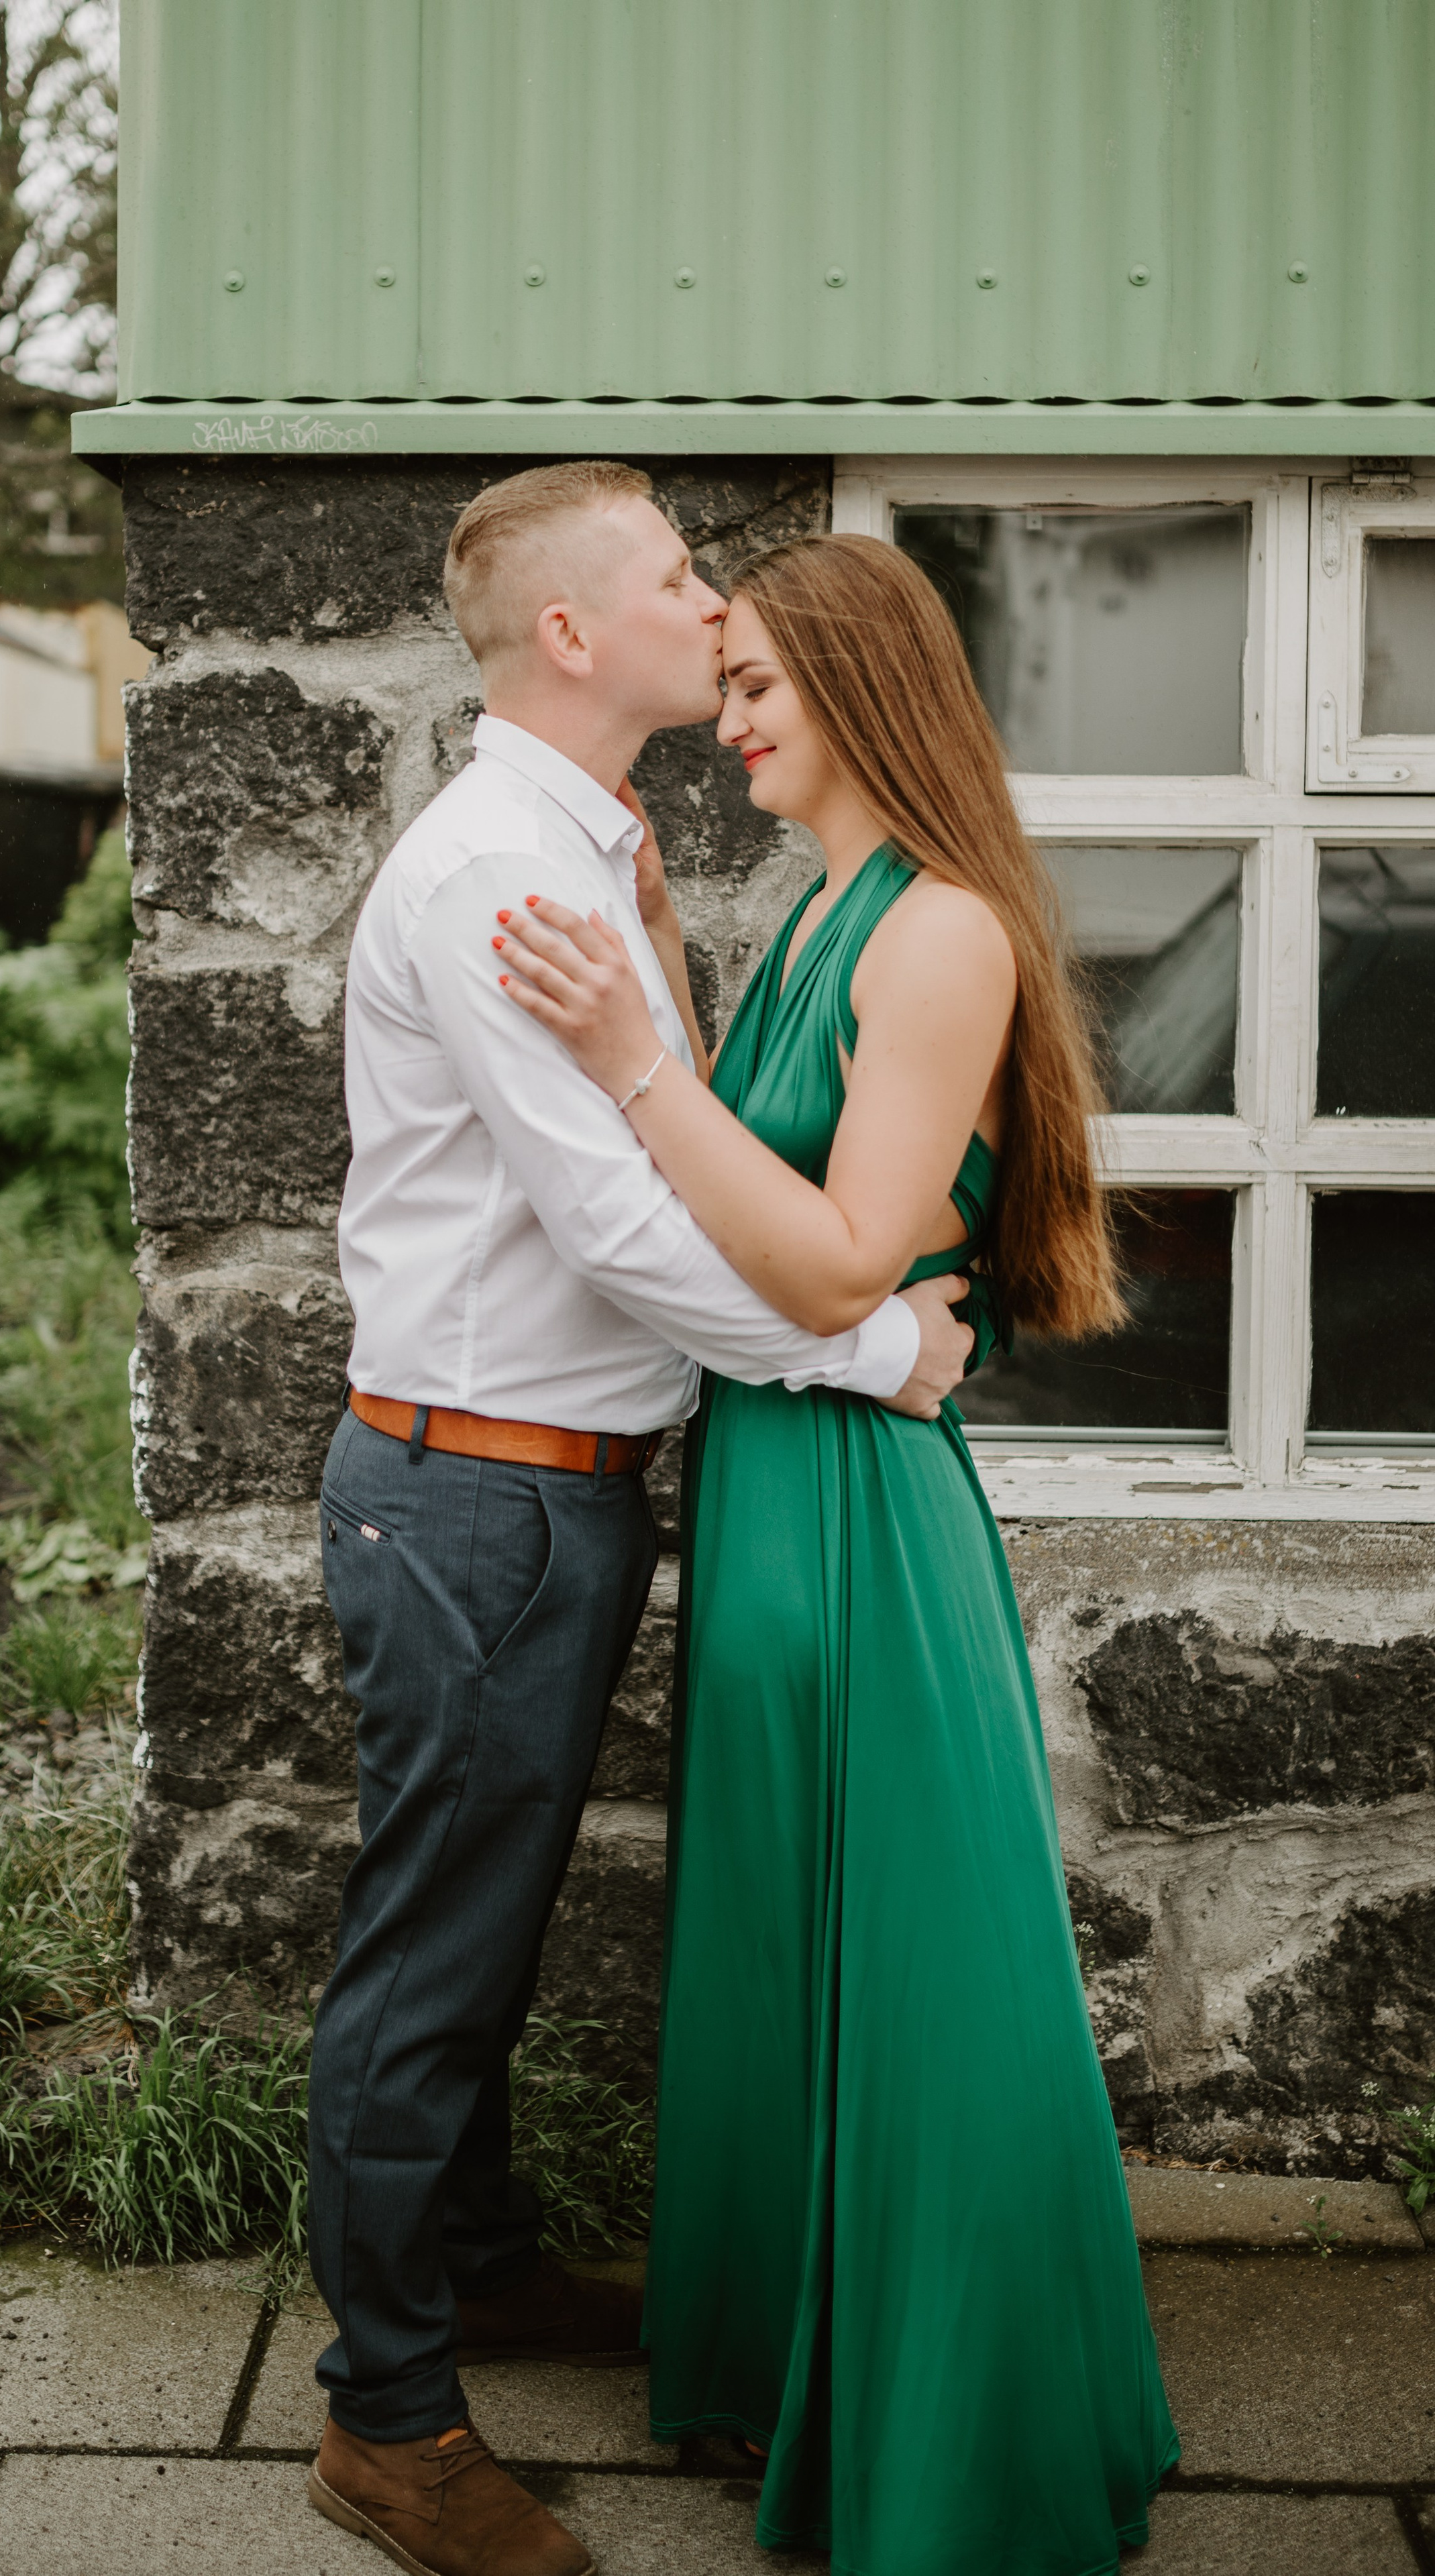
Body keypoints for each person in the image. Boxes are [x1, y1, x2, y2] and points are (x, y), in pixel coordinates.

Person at [306, 464, 974, 2576]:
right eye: (679, 574)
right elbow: (616, 1223)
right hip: (477, 1497)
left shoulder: (593, 847)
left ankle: (478, 2262)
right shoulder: (506, 867)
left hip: (540, 1493)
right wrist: (872, 1355)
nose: (714, 602)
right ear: (570, 634)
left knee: (478, 1937)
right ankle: (384, 2420)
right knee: (429, 1960)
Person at [492, 532, 1180, 2576]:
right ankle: (813, 2376)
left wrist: (631, 1057)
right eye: (732, 683)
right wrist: (658, 972)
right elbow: (744, 1170)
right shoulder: (818, 910)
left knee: (920, 1977)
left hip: (866, 1512)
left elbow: (829, 1259)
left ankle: (960, 2447)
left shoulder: (942, 932)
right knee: (798, 1947)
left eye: (769, 688)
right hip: (783, 1489)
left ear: (873, 696)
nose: (734, 716)